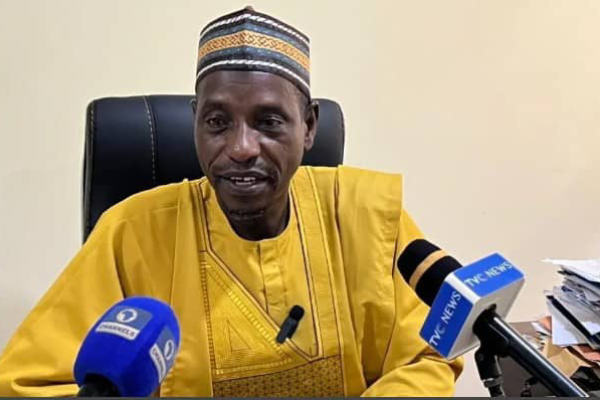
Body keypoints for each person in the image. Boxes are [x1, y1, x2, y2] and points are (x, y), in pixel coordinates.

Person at [0, 7, 462, 396]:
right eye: (218, 122)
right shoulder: (131, 233)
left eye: (268, 122)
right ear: (195, 123)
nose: (241, 147)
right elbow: (28, 384)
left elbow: (427, 357)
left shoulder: (365, 215)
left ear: (309, 126)